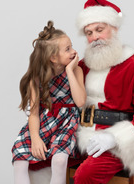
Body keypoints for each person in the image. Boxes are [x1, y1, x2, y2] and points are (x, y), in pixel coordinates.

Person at [70, 0, 134, 183]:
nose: (94, 38)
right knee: (39, 161)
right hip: (81, 134)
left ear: (114, 29)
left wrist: (113, 139)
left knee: (84, 176)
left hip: (118, 141)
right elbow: (67, 99)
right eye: (89, 33)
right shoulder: (83, 66)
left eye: (99, 30)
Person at [11, 20, 86, 184]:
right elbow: (34, 113)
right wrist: (35, 137)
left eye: (71, 46)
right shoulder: (36, 79)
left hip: (67, 123)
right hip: (44, 121)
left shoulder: (76, 70)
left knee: (59, 160)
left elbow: (80, 102)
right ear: (53, 57)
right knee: (19, 158)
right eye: (67, 49)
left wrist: (69, 71)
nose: (73, 52)